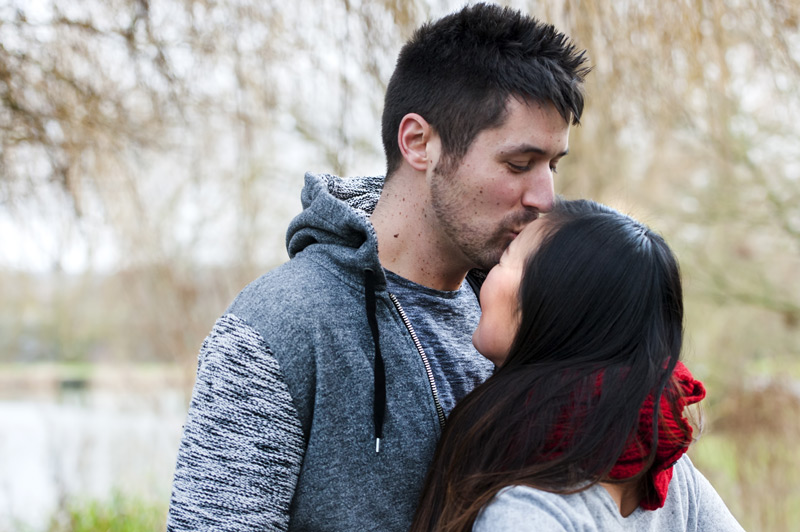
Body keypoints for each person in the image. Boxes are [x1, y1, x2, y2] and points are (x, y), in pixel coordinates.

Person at [166, 3, 590, 532]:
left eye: (553, 165)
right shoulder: (279, 328)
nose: (547, 197)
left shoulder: (522, 318)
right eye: (518, 164)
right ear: (418, 142)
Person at [410, 199, 745, 532]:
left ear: (554, 307)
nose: (483, 275)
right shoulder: (667, 471)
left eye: (506, 259)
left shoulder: (529, 512)